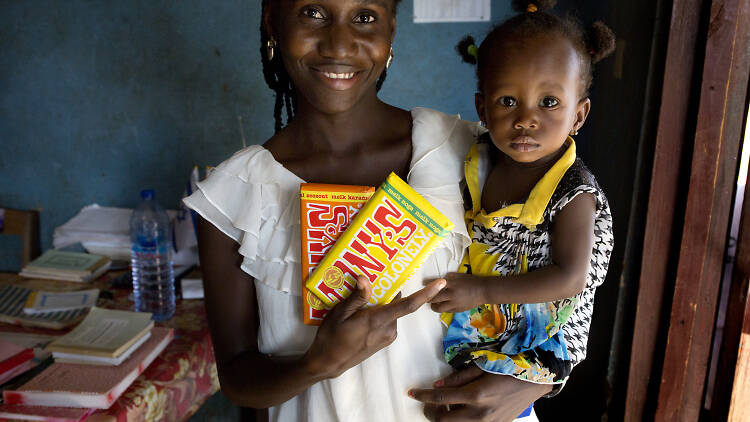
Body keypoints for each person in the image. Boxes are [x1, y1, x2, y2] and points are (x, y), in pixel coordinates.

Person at [184, 0, 551, 421]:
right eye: (312, 13)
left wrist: (538, 379)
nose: (339, 44)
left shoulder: (467, 151)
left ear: (391, 30)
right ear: (273, 22)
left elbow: (571, 270)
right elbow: (237, 380)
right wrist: (317, 364)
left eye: (364, 17)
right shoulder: (234, 195)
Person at [419, 0, 616, 414]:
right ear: (482, 109)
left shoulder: (572, 193)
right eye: (508, 101)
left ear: (579, 116)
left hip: (540, 338)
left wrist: (481, 289)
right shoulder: (478, 159)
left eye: (548, 103)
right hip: (487, 324)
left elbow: (570, 279)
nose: (526, 119)